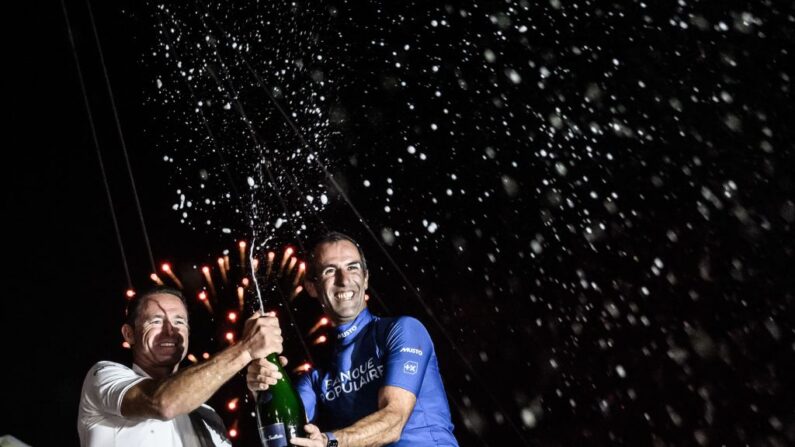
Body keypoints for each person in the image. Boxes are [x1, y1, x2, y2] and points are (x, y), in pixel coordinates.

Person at [247, 232, 459, 447]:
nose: (344, 280)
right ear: (312, 286)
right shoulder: (317, 378)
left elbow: (394, 420)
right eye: (330, 270)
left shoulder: (403, 330)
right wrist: (262, 386)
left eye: (353, 267)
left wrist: (330, 441)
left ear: (366, 278)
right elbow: (285, 432)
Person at [77, 285, 284, 446]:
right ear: (129, 334)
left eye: (179, 322)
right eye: (156, 321)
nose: (170, 331)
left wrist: (265, 394)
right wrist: (245, 349)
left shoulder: (207, 416)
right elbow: (163, 403)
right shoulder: (103, 376)